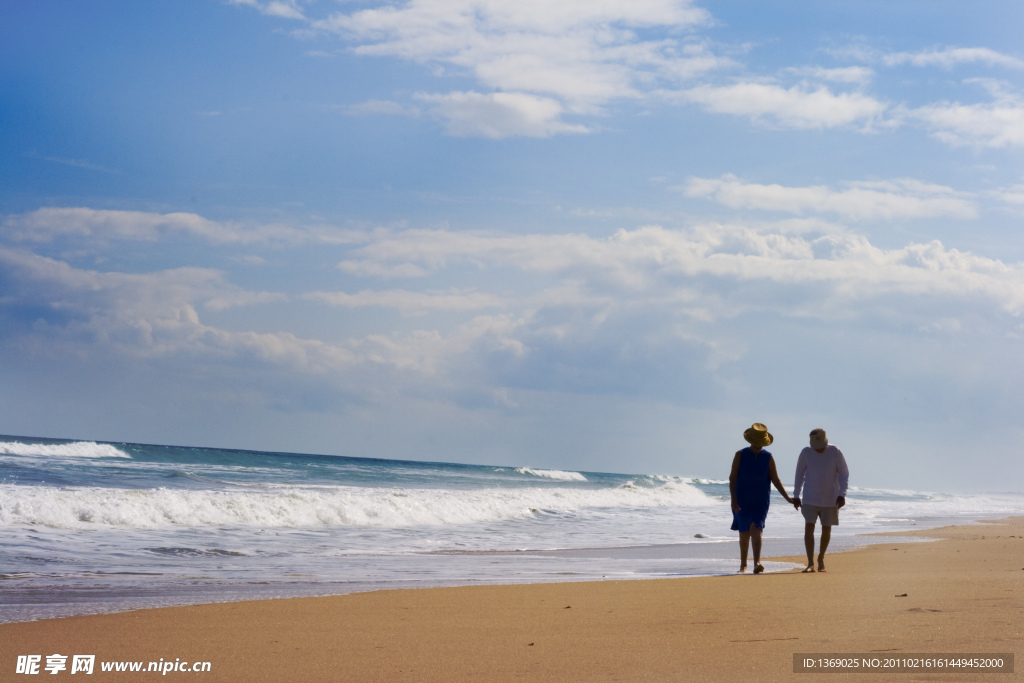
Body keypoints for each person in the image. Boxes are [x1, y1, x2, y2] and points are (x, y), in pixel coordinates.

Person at [729, 423, 797, 574]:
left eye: (761, 443)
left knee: (756, 527)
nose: (759, 446)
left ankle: (756, 563)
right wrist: (733, 499)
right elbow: (732, 479)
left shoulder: (768, 457)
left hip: (761, 500)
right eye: (757, 442)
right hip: (742, 498)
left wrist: (788, 498)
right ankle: (743, 565)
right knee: (744, 530)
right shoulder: (740, 455)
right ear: (751, 440)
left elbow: (776, 480)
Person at [792, 428, 849, 573]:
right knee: (809, 528)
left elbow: (844, 473)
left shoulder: (835, 452)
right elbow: (799, 475)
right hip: (810, 498)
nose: (819, 449)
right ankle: (810, 562)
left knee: (826, 529)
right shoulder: (806, 452)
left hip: (830, 499)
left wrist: (842, 494)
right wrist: (796, 496)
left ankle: (821, 558)